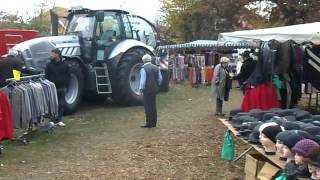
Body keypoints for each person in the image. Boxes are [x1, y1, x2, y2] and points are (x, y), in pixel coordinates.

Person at [45, 48, 70, 127]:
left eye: (53, 54)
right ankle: (52, 120)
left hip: (62, 87)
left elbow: (68, 76)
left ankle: (59, 120)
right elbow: (47, 76)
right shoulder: (49, 65)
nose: (51, 55)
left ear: (57, 54)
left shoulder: (65, 64)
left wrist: (66, 85)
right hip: (52, 88)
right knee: (53, 104)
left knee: (61, 104)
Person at [139, 54, 163, 128]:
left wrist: (140, 89)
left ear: (143, 61)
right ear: (150, 60)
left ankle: (149, 123)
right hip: (154, 89)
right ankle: (154, 123)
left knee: (147, 106)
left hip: (147, 90)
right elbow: (160, 79)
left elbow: (143, 81)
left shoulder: (143, 68)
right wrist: (157, 85)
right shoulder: (156, 67)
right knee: (153, 105)